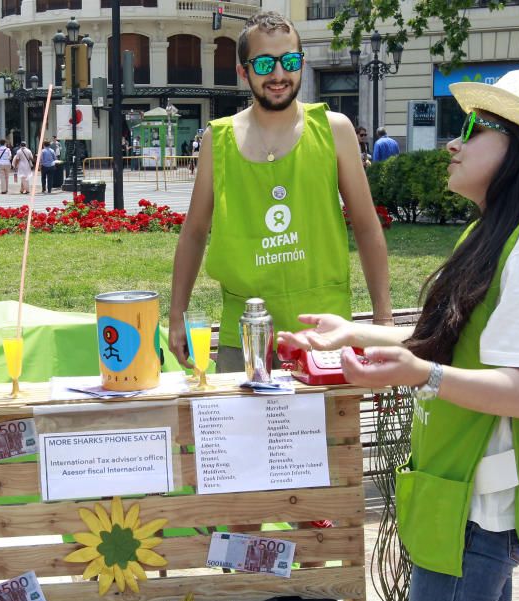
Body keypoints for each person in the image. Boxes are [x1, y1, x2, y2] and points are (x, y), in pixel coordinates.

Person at [277, 69, 519, 601]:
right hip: (457, 496)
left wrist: (416, 373)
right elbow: (464, 342)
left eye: (477, 128)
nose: (454, 142)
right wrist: (358, 331)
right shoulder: (495, 232)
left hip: (480, 509)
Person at [168, 10, 392, 372]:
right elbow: (194, 233)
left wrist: (383, 320)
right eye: (264, 64)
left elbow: (367, 227)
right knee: (239, 429)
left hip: (322, 334)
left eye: (289, 61)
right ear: (243, 72)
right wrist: (176, 315)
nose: (278, 74)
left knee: (328, 430)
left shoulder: (334, 130)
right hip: (241, 336)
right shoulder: (217, 139)